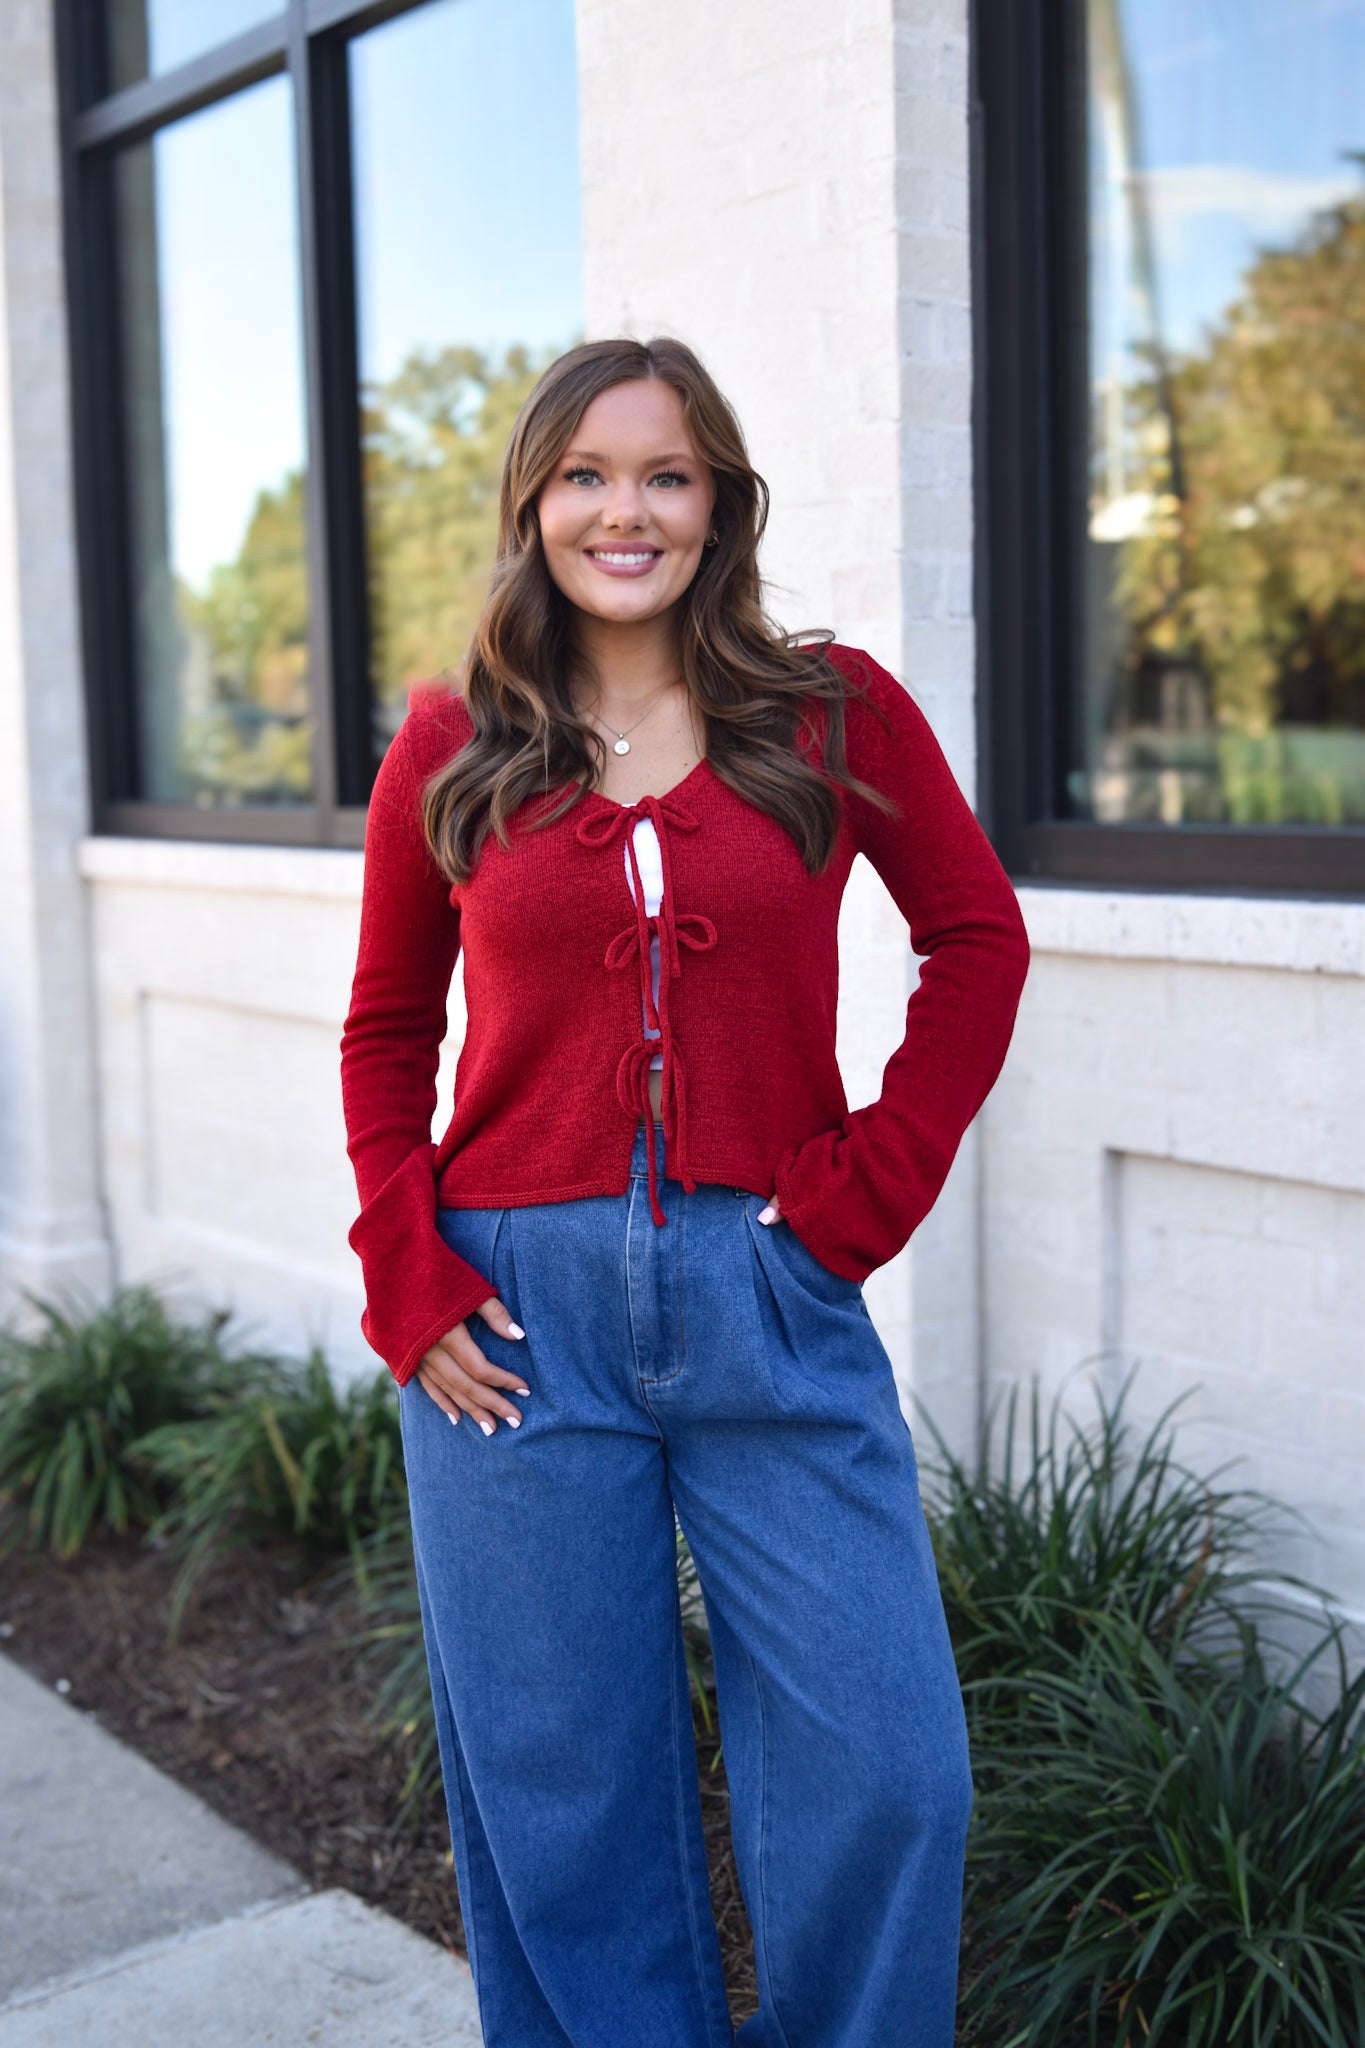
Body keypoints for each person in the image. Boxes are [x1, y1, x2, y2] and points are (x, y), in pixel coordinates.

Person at [339, 334, 1030, 2048]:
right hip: (509, 1323)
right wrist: (406, 1277)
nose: (622, 510)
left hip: (768, 1292)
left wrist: (860, 1197)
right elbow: (385, 1032)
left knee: (890, 1771)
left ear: (717, 502)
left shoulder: (829, 708)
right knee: (562, 1802)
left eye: (663, 473)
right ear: (531, 504)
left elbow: (975, 941)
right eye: (583, 474)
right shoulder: (452, 737)